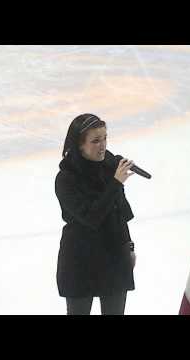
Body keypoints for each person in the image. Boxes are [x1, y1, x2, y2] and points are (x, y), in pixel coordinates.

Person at [55, 113, 136, 315]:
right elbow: (92, 217)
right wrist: (115, 183)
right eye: (95, 140)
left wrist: (129, 246)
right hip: (80, 259)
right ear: (79, 145)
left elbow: (120, 214)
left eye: (105, 138)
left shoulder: (110, 165)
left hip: (114, 254)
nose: (103, 145)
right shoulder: (66, 179)